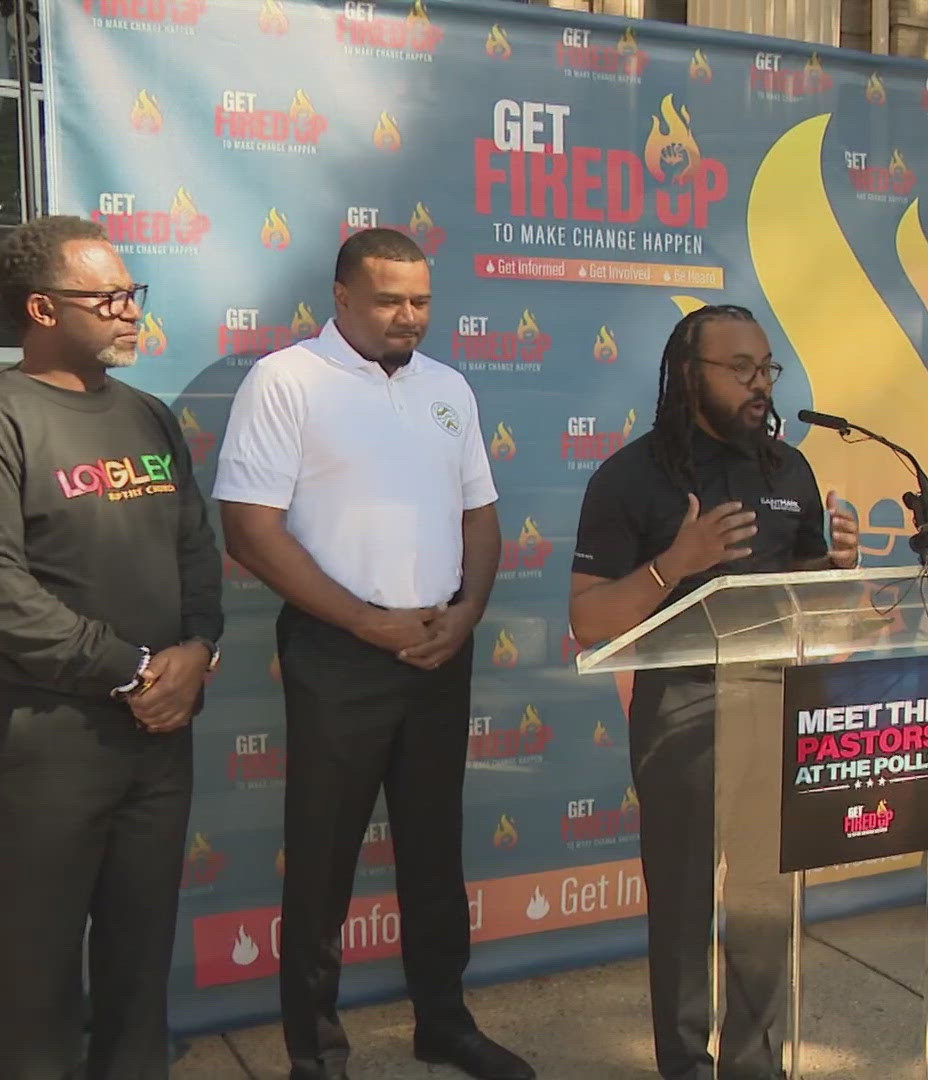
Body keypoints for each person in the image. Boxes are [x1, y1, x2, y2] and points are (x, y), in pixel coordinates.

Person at [217, 229, 532, 1080]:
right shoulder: (287, 380)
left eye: (422, 301)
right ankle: (315, 1051)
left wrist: (466, 613)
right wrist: (363, 621)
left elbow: (481, 511)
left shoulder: (448, 389)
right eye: (390, 300)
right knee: (322, 857)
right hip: (337, 654)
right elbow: (248, 528)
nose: (409, 317)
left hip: (439, 646)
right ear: (344, 297)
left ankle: (444, 1021)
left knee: (435, 847)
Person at [568, 304, 860, 1080]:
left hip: (776, 702)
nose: (760, 385)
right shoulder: (632, 476)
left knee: (766, 906)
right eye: (742, 370)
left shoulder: (789, 470)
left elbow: (799, 596)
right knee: (682, 907)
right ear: (690, 375)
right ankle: (686, 1067)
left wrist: (834, 577)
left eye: (767, 369)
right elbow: (589, 616)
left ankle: (755, 1066)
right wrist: (677, 562)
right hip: (681, 709)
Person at [0, 215, 222, 1080]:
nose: (132, 312)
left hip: (160, 738)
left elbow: (194, 552)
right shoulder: (11, 415)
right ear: (42, 309)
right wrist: (129, 669)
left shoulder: (149, 417)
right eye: (110, 297)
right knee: (34, 972)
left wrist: (197, 650)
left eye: (134, 294)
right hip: (47, 739)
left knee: (140, 962)